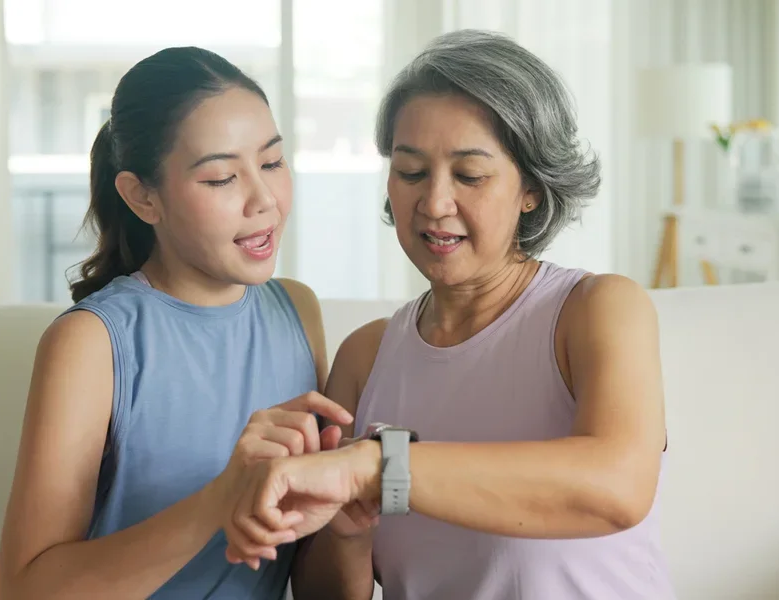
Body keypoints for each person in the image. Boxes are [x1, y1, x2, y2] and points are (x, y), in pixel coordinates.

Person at [225, 29, 676, 600]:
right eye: (411, 172)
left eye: (469, 175)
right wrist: (345, 528)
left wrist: (374, 467)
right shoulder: (366, 357)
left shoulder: (595, 310)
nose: (435, 203)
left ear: (531, 187)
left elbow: (617, 488)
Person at [0, 46, 355, 599]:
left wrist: (347, 527)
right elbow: (25, 591)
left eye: (272, 162)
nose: (264, 201)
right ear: (143, 197)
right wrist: (220, 499)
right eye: (220, 179)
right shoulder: (91, 342)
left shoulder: (297, 312)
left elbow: (315, 586)